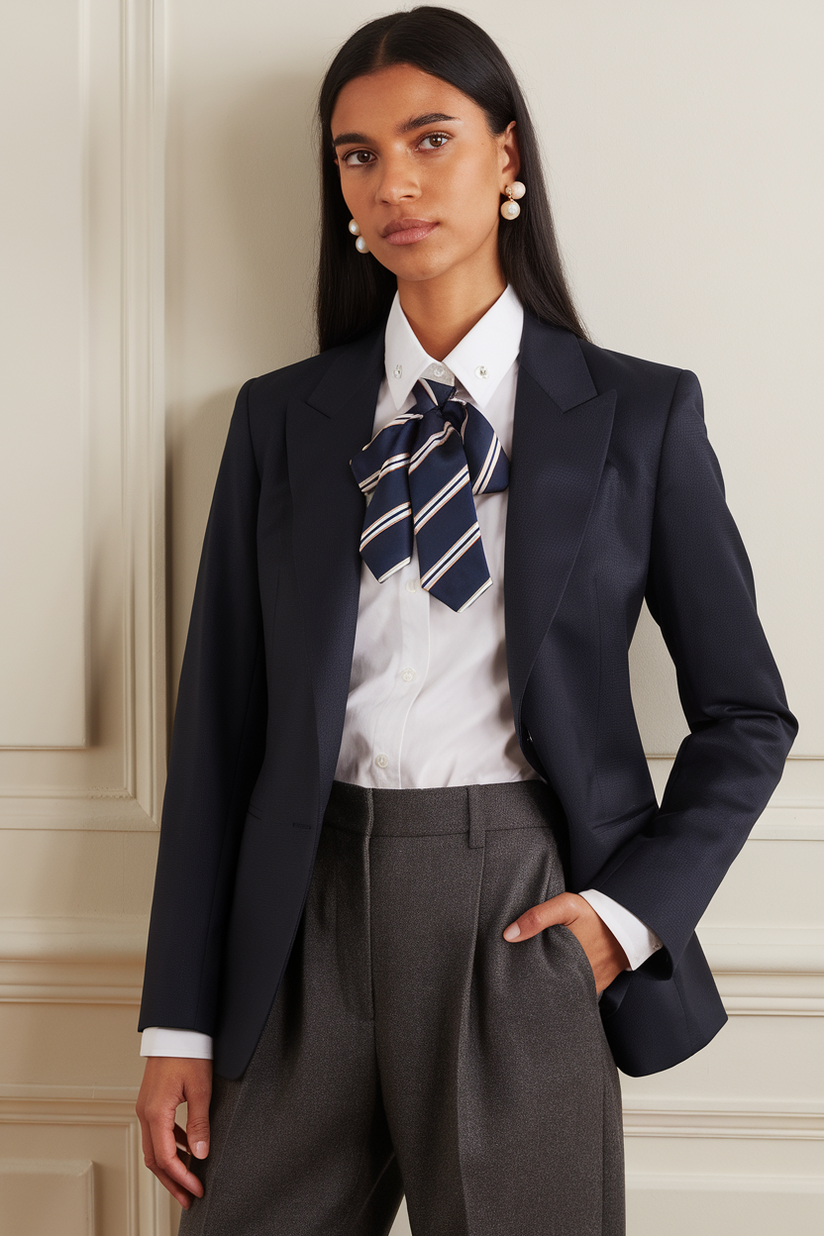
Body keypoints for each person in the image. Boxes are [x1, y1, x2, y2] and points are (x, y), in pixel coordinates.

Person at [135, 7, 797, 1234]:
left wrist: (618, 922)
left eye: (429, 139)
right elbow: (216, 737)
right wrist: (175, 1018)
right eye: (357, 155)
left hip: (519, 921)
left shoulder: (637, 418)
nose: (394, 182)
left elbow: (747, 715)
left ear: (506, 159)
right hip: (298, 924)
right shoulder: (279, 422)